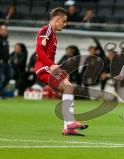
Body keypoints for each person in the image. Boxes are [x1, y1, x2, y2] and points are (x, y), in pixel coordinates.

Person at [34, 7, 88, 136]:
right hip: (44, 67)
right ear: (57, 19)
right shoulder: (46, 30)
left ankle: (68, 127)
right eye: (63, 21)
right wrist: (51, 65)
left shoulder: (52, 34)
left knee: (68, 87)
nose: (65, 24)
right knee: (68, 87)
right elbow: (39, 50)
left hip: (47, 67)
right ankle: (69, 123)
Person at [0, 23, 11, 99]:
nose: (4, 31)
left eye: (5, 30)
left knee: (8, 77)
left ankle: (0, 91)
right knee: (0, 78)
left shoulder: (6, 40)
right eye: (2, 29)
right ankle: (1, 94)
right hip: (0, 62)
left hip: (6, 62)